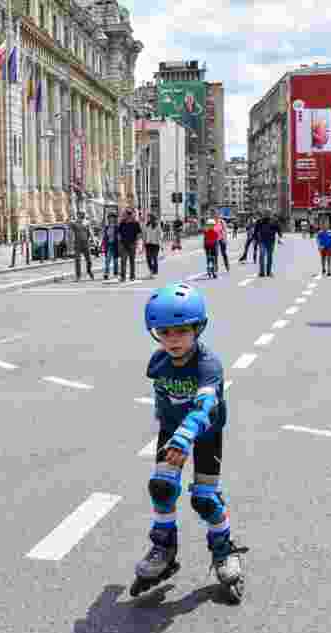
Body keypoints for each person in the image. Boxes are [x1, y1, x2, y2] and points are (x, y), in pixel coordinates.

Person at [132, 282, 246, 601]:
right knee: (162, 487)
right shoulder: (157, 363)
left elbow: (205, 405)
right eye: (164, 332)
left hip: (205, 434)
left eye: (181, 331)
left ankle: (224, 550)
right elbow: (163, 397)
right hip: (173, 433)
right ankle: (163, 548)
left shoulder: (209, 364)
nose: (173, 340)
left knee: (205, 500)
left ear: (198, 328)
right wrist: (168, 426)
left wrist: (185, 433)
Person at [117, 209, 142, 282]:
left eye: (127, 214)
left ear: (130, 215)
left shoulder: (135, 223)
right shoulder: (122, 223)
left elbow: (139, 234)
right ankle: (123, 277)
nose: (126, 216)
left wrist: (137, 242)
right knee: (123, 260)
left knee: (132, 261)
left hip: (132, 244)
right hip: (123, 244)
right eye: (125, 214)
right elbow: (119, 233)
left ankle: (132, 276)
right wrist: (119, 242)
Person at [71, 216, 95, 281]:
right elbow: (69, 224)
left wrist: (93, 241)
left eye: (82, 217)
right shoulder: (74, 224)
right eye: (79, 216)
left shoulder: (86, 223)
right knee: (77, 260)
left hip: (86, 244)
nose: (80, 218)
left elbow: (90, 232)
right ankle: (78, 276)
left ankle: (89, 271)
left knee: (89, 260)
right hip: (77, 244)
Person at [143, 214, 163, 278]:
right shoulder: (146, 225)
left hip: (155, 244)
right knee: (148, 258)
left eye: (149, 217)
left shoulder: (157, 226)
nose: (148, 219)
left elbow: (160, 235)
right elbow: (144, 235)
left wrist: (161, 244)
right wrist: (144, 243)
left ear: (152, 218)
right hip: (148, 244)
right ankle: (151, 270)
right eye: (148, 217)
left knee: (154, 257)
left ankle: (155, 271)